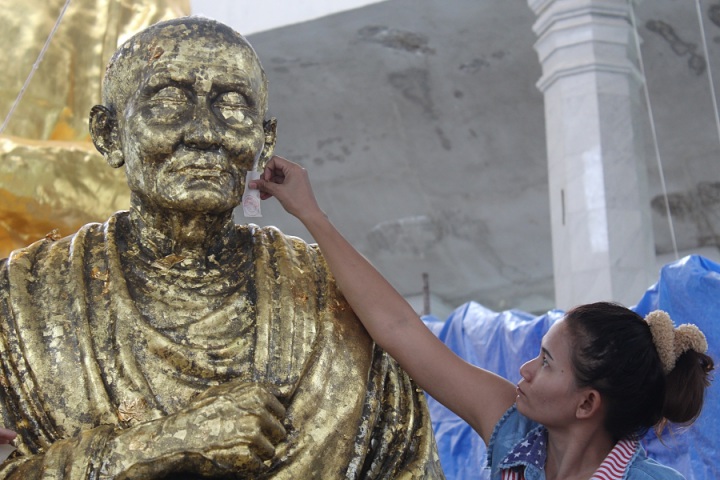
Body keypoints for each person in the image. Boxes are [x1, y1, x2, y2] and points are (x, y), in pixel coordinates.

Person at [0, 17, 443, 479]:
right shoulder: (23, 300)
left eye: (232, 107)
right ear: (109, 135)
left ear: (264, 140)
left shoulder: (338, 303)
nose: (205, 133)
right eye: (169, 102)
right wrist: (165, 444)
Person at [251, 155, 715, 480]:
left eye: (548, 363)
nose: (526, 370)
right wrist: (310, 213)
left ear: (587, 404)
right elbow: (401, 331)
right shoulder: (514, 432)